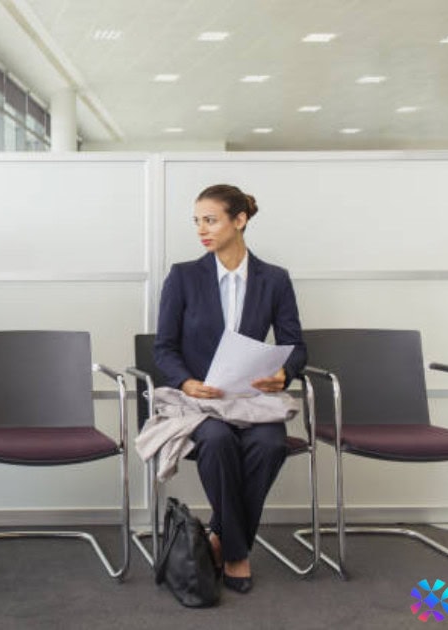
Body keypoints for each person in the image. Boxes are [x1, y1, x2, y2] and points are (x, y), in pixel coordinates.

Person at [153, 184, 306, 594]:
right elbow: (163, 348)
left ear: (239, 221)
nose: (202, 229)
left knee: (270, 446)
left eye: (211, 220)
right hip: (199, 402)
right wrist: (187, 381)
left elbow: (296, 344)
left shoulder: (274, 280)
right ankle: (237, 554)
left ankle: (220, 536)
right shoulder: (184, 276)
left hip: (252, 400)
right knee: (218, 442)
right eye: (197, 221)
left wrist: (284, 374)